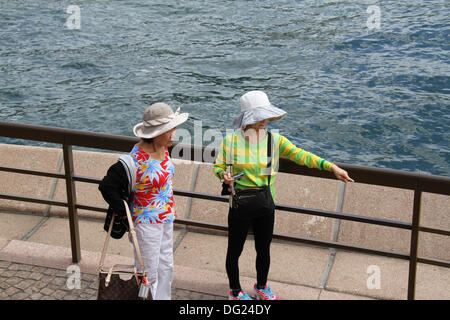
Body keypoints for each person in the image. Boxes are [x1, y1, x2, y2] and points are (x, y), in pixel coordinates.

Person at [213, 90, 353, 300]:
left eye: (266, 116)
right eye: (259, 117)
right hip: (239, 204)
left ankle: (261, 286)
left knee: (264, 249)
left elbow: (301, 155)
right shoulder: (230, 141)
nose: (264, 121)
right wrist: (223, 175)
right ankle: (235, 291)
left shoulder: (274, 140)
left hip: (265, 204)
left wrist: (331, 166)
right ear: (248, 118)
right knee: (235, 250)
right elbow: (218, 167)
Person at [99, 102, 188, 300]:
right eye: (171, 128)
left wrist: (170, 207)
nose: (174, 132)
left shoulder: (163, 149)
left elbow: (165, 182)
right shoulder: (134, 160)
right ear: (158, 133)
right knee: (148, 274)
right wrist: (124, 213)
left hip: (165, 218)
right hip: (145, 224)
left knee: (166, 267)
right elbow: (107, 186)